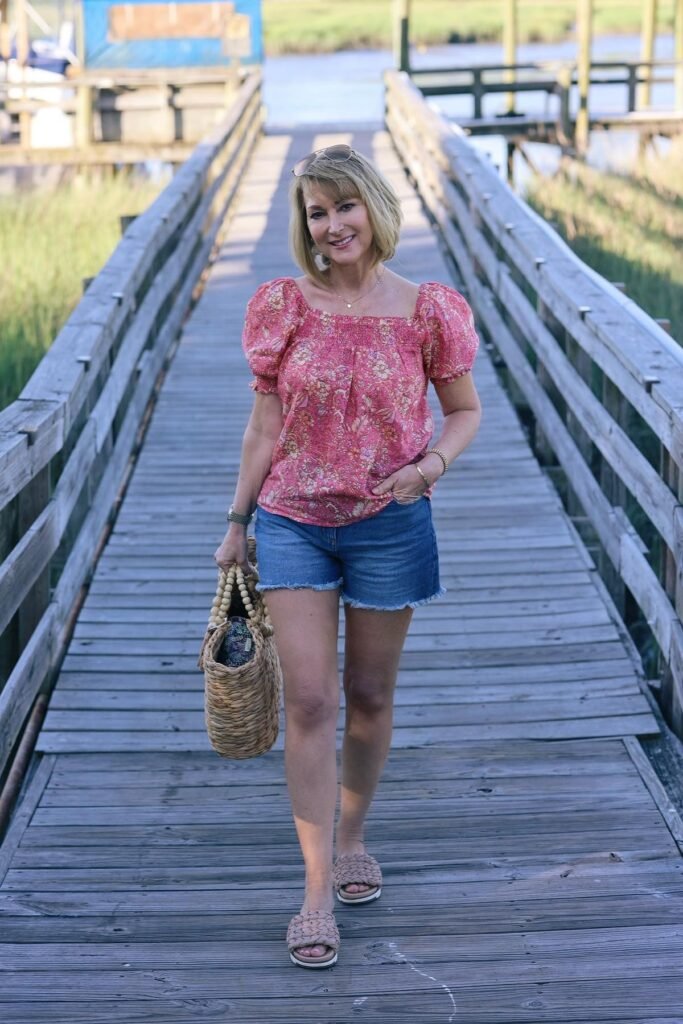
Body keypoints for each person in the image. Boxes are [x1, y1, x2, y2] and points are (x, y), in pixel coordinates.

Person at [214, 144, 481, 968]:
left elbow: (464, 411)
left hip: (389, 524)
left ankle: (355, 835)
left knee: (368, 695)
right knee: (309, 703)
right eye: (315, 213)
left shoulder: (427, 308)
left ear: (372, 206)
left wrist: (428, 467)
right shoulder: (282, 305)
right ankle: (315, 886)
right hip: (293, 518)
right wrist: (236, 520)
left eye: (342, 207)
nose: (330, 225)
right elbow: (264, 426)